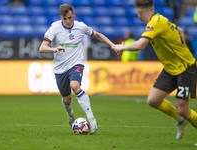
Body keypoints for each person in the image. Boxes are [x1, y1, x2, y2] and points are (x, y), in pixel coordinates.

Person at [112, 0, 197, 140]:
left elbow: (140, 45)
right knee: (153, 100)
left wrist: (121, 47)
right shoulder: (161, 19)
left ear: (138, 11)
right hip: (170, 68)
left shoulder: (155, 23)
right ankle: (181, 120)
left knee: (182, 109)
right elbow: (179, 30)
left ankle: (182, 117)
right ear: (152, 6)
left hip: (185, 68)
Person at [39, 4, 115, 134]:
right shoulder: (54, 28)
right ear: (60, 18)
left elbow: (97, 35)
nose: (68, 21)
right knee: (67, 99)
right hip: (60, 68)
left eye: (70, 18)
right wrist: (54, 49)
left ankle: (91, 118)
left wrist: (113, 45)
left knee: (75, 86)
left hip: (76, 63)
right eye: (65, 19)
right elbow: (42, 48)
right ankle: (70, 116)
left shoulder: (81, 26)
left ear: (74, 14)